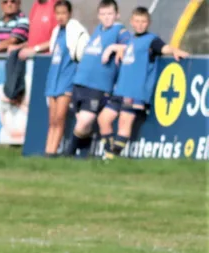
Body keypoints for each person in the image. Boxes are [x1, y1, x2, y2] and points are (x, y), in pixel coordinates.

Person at [97, 6, 188, 160]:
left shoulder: (151, 40)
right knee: (103, 119)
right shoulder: (132, 40)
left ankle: (111, 158)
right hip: (120, 90)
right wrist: (118, 49)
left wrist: (174, 50)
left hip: (134, 92)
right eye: (137, 21)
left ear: (148, 23)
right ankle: (109, 154)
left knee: (124, 124)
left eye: (143, 22)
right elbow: (128, 50)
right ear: (132, 22)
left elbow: (163, 48)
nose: (140, 24)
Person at [64, 0, 123, 157]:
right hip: (80, 82)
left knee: (84, 121)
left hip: (98, 86)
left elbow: (132, 47)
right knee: (83, 124)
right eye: (103, 14)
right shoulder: (98, 30)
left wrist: (113, 47)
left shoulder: (120, 31)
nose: (107, 17)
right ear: (98, 15)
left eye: (110, 14)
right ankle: (84, 157)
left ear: (117, 15)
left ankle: (68, 153)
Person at [34, 0, 85, 156]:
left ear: (69, 14)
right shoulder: (56, 32)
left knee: (59, 118)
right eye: (58, 13)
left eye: (63, 13)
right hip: (53, 80)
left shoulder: (74, 31)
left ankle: (52, 152)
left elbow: (80, 51)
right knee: (52, 120)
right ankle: (48, 151)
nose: (60, 17)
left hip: (66, 79)